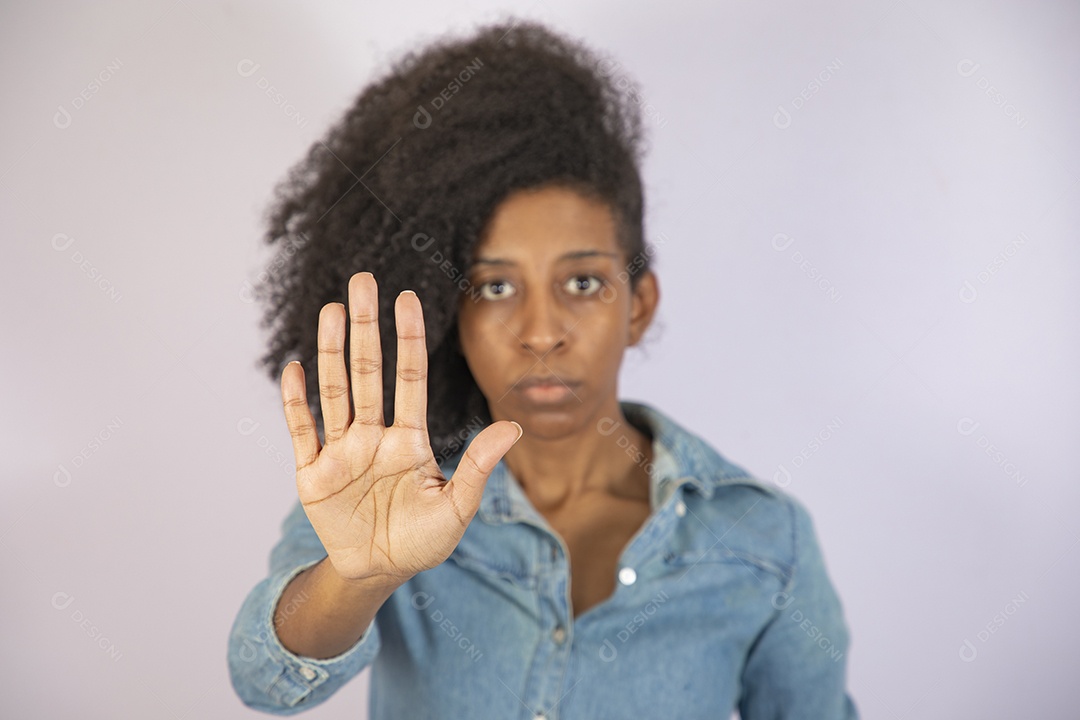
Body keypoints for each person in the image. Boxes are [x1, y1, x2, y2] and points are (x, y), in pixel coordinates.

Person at [227, 17, 859, 719]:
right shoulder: (389, 493)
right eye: (495, 287)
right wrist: (361, 576)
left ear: (639, 304)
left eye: (583, 283)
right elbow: (264, 682)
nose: (541, 333)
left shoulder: (762, 544)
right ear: (450, 314)